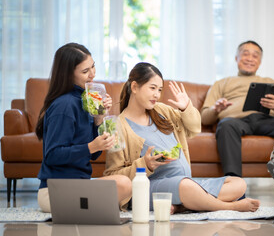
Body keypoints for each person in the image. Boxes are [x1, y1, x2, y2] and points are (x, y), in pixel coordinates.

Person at [103, 62, 260, 213]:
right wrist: (145, 164)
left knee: (238, 183)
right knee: (187, 187)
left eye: (159, 90)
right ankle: (230, 207)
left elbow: (194, 129)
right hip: (151, 187)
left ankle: (182, 206)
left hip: (183, 181)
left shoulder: (162, 111)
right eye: (152, 88)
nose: (157, 95)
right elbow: (113, 175)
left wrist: (186, 107)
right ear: (135, 87)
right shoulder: (118, 126)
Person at [201, 40, 274, 204]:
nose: (250, 58)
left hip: (265, 120)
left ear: (260, 62)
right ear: (236, 58)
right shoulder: (222, 83)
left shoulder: (270, 82)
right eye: (245, 53)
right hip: (235, 122)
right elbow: (204, 117)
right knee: (226, 124)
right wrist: (216, 109)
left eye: (255, 55)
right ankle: (236, 188)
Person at [35, 43, 132, 213]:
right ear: (68, 75)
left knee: (125, 183)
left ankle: (86, 210)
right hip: (54, 191)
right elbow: (52, 155)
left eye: (93, 66)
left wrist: (99, 119)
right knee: (123, 183)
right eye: (85, 71)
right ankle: (89, 210)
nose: (92, 74)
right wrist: (91, 146)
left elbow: (93, 155)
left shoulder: (84, 100)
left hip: (78, 185)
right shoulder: (64, 105)